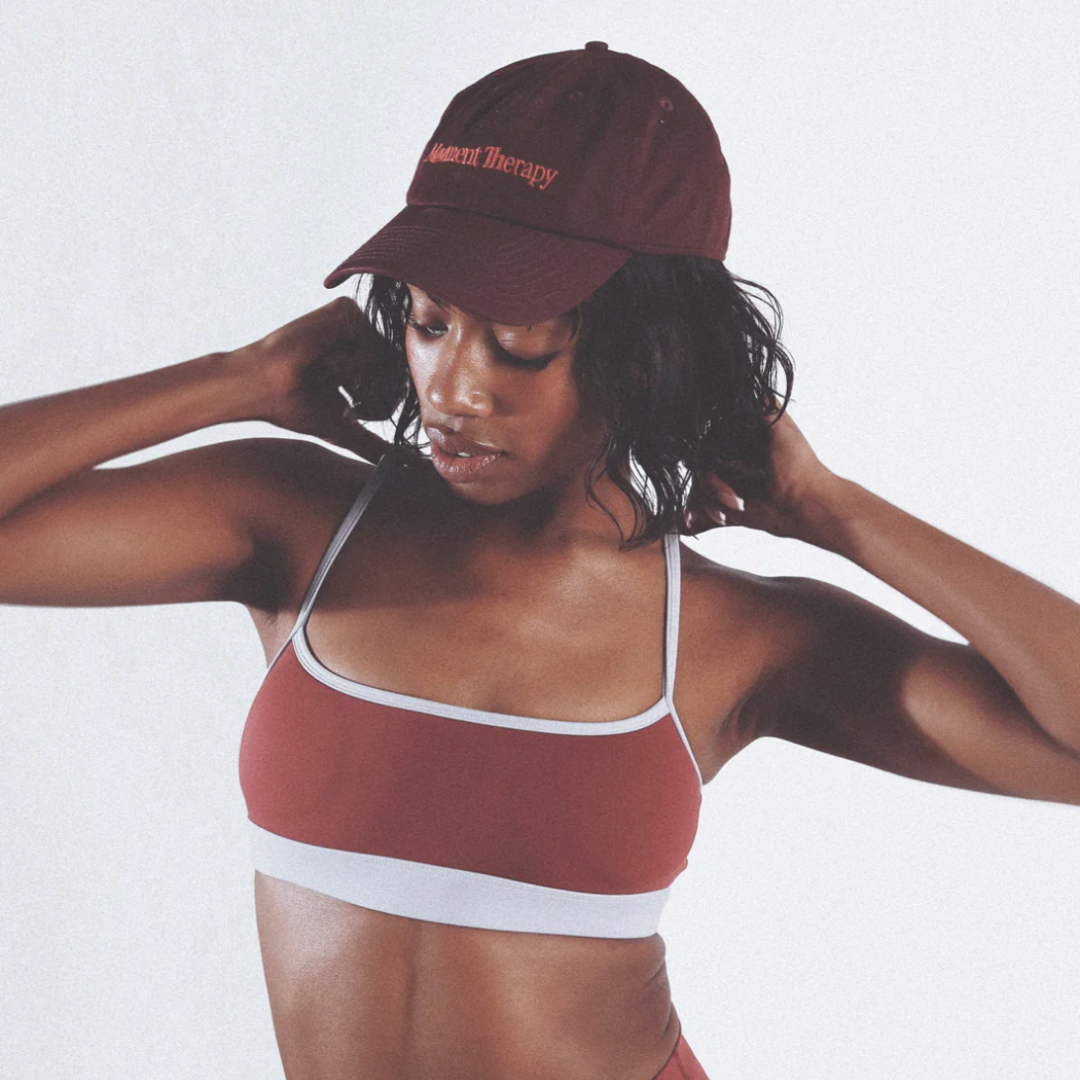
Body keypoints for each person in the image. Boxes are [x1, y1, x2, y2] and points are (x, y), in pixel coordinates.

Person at [2, 41, 1078, 1080]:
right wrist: (235, 379)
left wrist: (836, 512)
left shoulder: (730, 637)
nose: (453, 388)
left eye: (517, 341)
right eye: (427, 322)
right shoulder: (293, 527)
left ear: (647, 351)